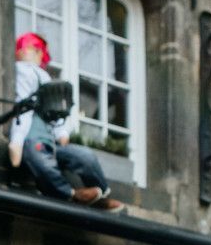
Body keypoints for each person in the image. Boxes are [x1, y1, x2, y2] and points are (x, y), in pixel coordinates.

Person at [9, 31, 125, 210]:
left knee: (84, 156)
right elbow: (22, 110)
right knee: (39, 159)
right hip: (32, 139)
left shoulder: (44, 78)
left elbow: (55, 113)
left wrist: (62, 133)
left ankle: (102, 193)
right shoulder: (23, 72)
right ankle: (70, 194)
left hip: (51, 141)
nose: (35, 55)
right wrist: (16, 142)